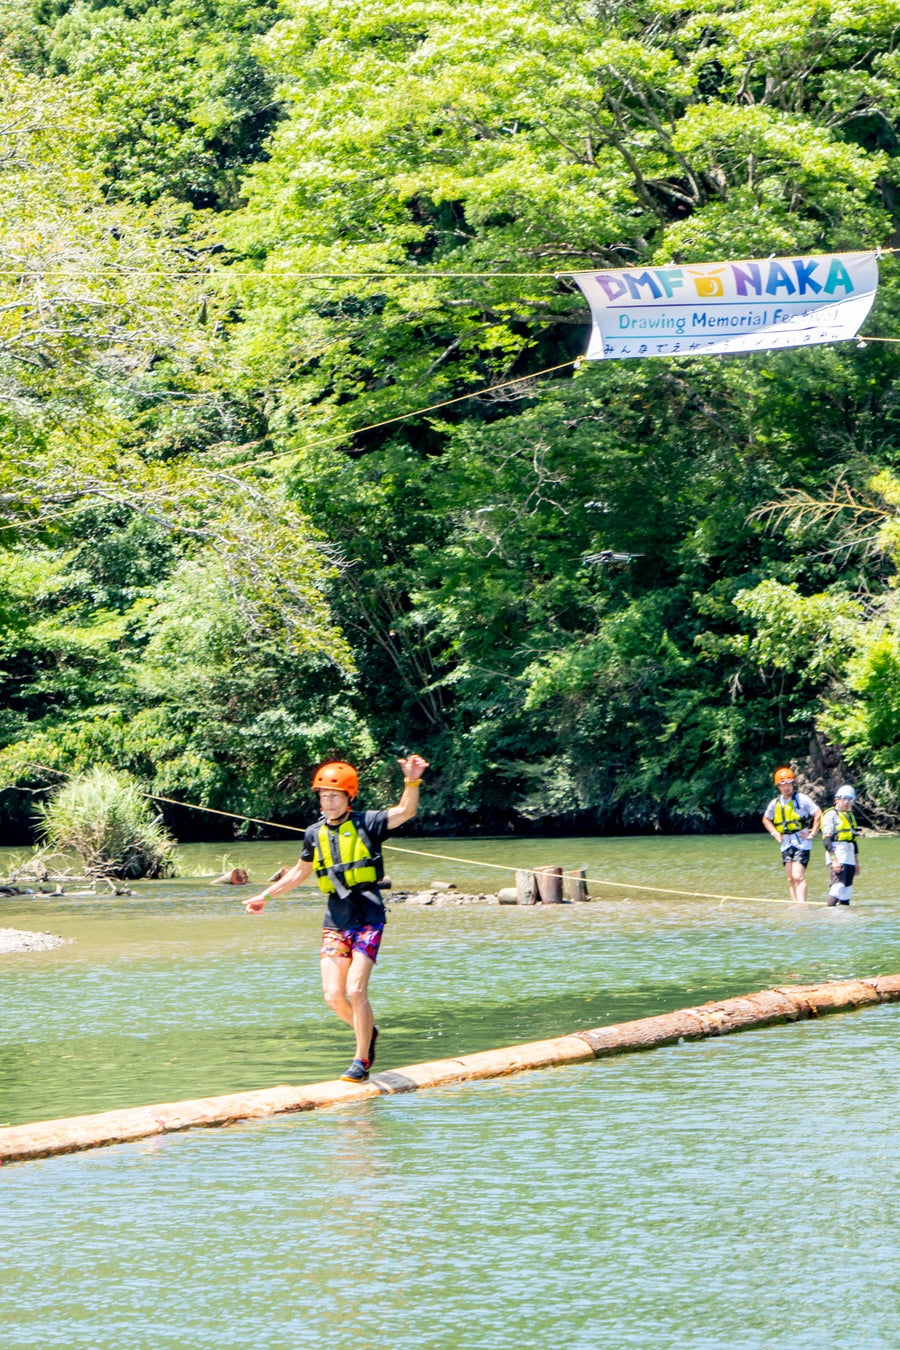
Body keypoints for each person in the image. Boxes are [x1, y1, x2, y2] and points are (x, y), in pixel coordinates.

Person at [242, 754, 429, 1082]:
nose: (328, 802)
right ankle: (367, 1030)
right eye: (324, 796)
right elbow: (299, 873)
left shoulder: (368, 823)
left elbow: (405, 811)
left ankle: (361, 1060)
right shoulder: (314, 833)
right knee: (332, 996)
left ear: (348, 797)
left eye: (335, 796)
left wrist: (411, 779)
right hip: (335, 921)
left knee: (356, 990)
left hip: (368, 918)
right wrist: (265, 896)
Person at [762, 766, 822, 904]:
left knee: (798, 876)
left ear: (793, 784)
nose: (787, 787)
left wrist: (813, 833)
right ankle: (795, 905)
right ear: (778, 786)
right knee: (790, 878)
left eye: (789, 784)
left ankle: (802, 905)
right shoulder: (775, 803)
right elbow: (766, 819)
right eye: (783, 785)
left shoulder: (802, 799)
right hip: (786, 843)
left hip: (802, 842)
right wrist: (775, 833)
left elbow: (818, 814)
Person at [822, 785, 860, 907]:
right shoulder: (830, 814)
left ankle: (844, 914)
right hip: (837, 853)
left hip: (849, 854)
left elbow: (853, 841)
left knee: (847, 889)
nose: (847, 802)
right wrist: (834, 860)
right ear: (837, 799)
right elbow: (827, 840)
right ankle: (829, 911)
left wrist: (856, 863)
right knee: (838, 886)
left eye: (850, 800)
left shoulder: (850, 816)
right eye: (844, 799)